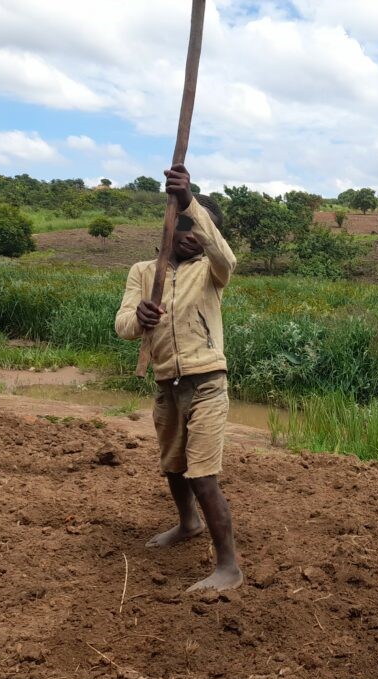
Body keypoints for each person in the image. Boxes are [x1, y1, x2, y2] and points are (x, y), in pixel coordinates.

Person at [115, 163, 243, 593]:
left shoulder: (212, 269)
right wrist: (139, 316)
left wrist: (189, 199)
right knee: (173, 465)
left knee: (202, 474)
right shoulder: (142, 272)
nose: (189, 233)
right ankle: (188, 524)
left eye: (197, 228)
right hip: (166, 382)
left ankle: (228, 567)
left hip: (207, 381)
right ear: (169, 224)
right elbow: (123, 325)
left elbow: (226, 254)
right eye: (181, 223)